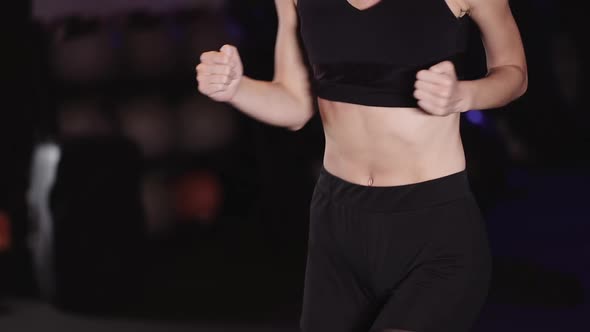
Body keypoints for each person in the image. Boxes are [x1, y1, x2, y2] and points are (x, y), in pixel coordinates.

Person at [195, 0, 527, 331]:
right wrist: (236, 88)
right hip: (337, 230)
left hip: (432, 229)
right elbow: (295, 105)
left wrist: (463, 96)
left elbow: (514, 73)